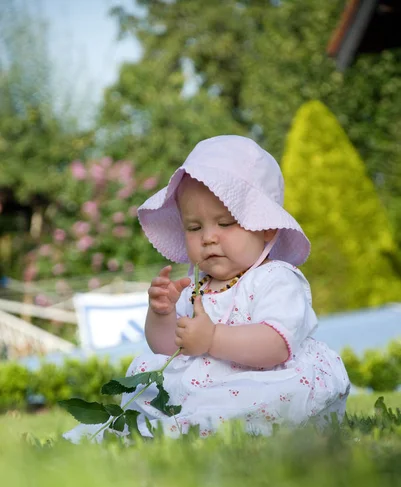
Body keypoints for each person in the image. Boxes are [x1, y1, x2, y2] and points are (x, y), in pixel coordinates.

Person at [65, 135, 350, 442]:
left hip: (265, 378)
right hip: (207, 382)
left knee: (263, 396)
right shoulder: (196, 288)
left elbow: (276, 345)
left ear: (266, 226)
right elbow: (169, 349)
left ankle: (199, 426)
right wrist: (162, 315)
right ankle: (167, 426)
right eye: (194, 227)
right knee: (151, 376)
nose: (209, 237)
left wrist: (212, 338)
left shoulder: (276, 279)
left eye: (225, 223)